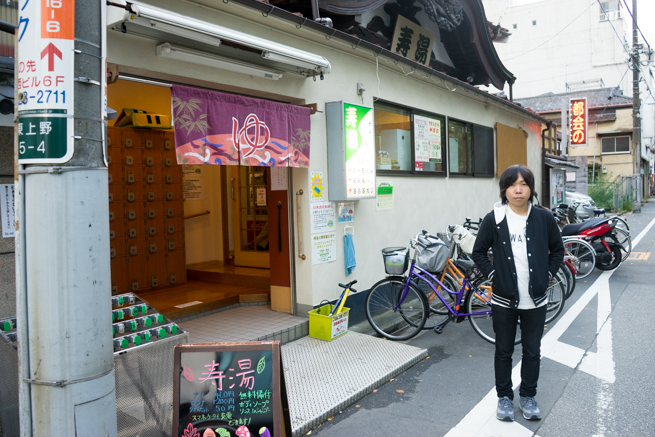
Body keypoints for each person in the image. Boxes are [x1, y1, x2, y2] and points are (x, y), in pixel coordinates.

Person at [471, 165, 564, 422]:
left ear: (531, 188)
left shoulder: (544, 218)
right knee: (503, 350)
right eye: (513, 184)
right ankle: (504, 398)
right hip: (503, 300)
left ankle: (528, 396)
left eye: (524, 184)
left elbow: (557, 250)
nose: (518, 189)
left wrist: (547, 275)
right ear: (505, 189)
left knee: (532, 351)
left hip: (535, 299)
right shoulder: (495, 218)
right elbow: (478, 252)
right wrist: (493, 276)